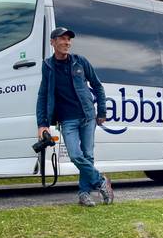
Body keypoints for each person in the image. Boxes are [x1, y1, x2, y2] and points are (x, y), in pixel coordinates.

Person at [36, 27, 114, 206]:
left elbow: (97, 86)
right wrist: (42, 124)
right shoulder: (47, 66)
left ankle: (84, 194)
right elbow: (43, 95)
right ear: (52, 42)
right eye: (62, 39)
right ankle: (102, 181)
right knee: (75, 155)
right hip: (67, 120)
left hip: (87, 116)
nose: (67, 42)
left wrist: (101, 111)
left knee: (88, 155)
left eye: (68, 39)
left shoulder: (80, 62)